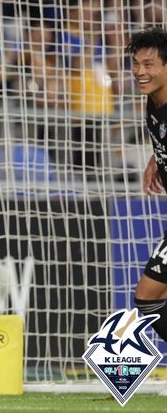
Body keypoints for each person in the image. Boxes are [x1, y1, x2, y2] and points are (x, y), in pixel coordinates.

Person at [126, 27, 167, 342]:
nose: (140, 71)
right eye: (136, 63)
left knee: (148, 295)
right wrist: (156, 158)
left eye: (149, 64)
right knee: (148, 297)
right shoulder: (154, 101)